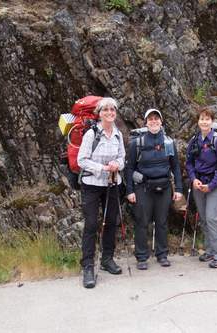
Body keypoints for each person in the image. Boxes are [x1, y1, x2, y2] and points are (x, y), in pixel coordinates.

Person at [125, 108, 183, 270]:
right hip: (143, 188)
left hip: (164, 187)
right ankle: (142, 257)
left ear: (161, 121)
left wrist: (178, 189)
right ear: (146, 122)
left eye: (156, 119)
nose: (153, 121)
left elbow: (175, 167)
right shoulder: (137, 143)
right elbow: (129, 169)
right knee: (142, 222)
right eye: (150, 119)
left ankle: (162, 254)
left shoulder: (169, 143)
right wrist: (130, 191)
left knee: (162, 222)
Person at [77, 97, 126, 288]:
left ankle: (107, 259)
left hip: (113, 184)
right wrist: (103, 168)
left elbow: (122, 157)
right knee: (91, 224)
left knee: (110, 222)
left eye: (112, 110)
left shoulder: (118, 134)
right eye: (106, 110)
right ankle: (88, 266)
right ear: (99, 113)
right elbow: (82, 160)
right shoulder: (91, 133)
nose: (110, 113)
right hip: (91, 183)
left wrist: (117, 165)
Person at [185, 107, 217, 268]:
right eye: (202, 119)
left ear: (212, 121)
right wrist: (194, 179)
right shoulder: (194, 140)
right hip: (199, 184)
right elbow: (189, 163)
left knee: (212, 218)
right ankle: (210, 250)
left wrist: (211, 185)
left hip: (214, 184)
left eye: (207, 119)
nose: (204, 121)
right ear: (198, 121)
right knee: (204, 218)